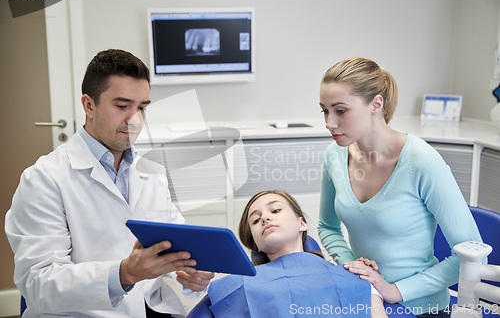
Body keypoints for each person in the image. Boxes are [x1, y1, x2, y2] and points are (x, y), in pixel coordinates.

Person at [5, 49, 214, 318]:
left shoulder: (151, 174)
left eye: (142, 108)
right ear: (89, 105)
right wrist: (124, 273)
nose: (134, 120)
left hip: (151, 309)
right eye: (122, 106)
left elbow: (180, 250)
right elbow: (39, 284)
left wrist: (192, 278)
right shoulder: (43, 179)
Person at [317, 57, 482, 317]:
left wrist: (396, 290)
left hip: (420, 308)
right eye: (324, 110)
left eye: (340, 110)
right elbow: (327, 226)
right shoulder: (334, 156)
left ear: (376, 104)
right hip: (365, 300)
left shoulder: (421, 161)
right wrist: (353, 266)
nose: (329, 122)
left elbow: (472, 254)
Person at [207, 190, 388, 318]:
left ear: (302, 223)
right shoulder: (236, 286)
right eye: (255, 220)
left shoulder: (358, 277)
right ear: (256, 245)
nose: (264, 218)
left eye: (275, 210)